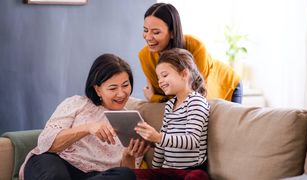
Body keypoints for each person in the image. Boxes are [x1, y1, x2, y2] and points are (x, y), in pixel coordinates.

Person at [19, 54, 150, 180]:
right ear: (98, 89)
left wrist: (129, 156)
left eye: (125, 85)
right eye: (113, 88)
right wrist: (88, 128)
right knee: (55, 174)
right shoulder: (77, 103)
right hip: (58, 163)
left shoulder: (135, 123)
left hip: (97, 176)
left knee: (126, 175)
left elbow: (130, 171)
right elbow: (46, 143)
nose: (121, 93)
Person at [139, 2, 242, 103]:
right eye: (145, 30)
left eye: (156, 32)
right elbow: (164, 92)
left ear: (172, 33)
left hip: (227, 85)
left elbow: (195, 93)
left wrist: (153, 98)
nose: (148, 37)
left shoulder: (196, 47)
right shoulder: (145, 56)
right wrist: (157, 97)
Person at [134, 48, 210, 179]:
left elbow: (192, 140)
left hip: (190, 170)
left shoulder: (196, 101)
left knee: (197, 177)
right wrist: (154, 171)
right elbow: (161, 147)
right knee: (132, 174)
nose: (160, 81)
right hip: (169, 171)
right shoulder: (170, 105)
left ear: (184, 74)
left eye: (164, 75)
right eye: (158, 78)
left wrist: (158, 137)